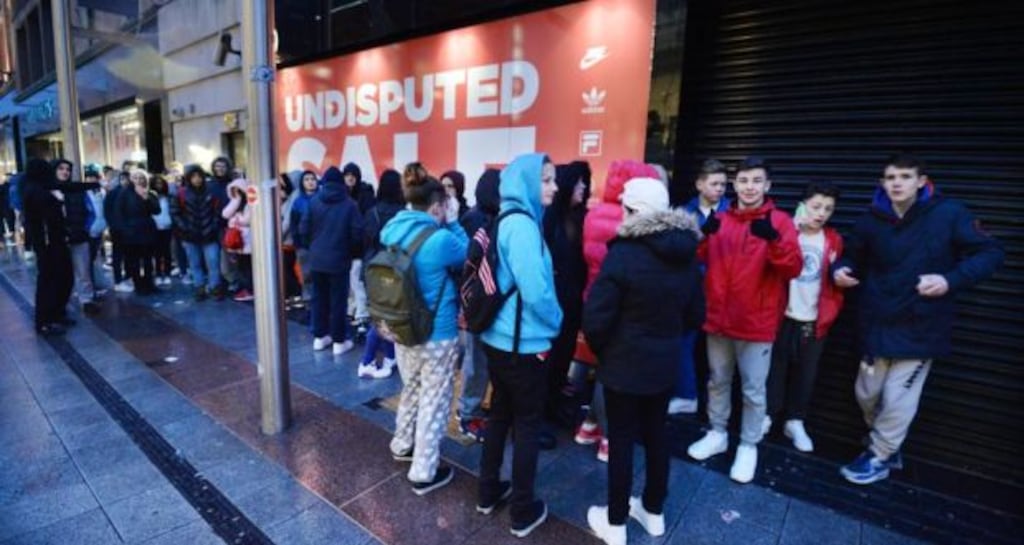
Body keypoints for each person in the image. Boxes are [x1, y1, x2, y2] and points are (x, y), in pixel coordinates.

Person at [834, 154, 1003, 485]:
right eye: (890, 177)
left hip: (921, 325)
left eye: (905, 176)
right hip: (877, 322)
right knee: (866, 394)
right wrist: (838, 269)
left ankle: (880, 455)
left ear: (921, 181)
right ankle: (888, 443)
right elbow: (851, 256)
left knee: (899, 398)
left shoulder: (949, 213)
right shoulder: (871, 219)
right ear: (882, 182)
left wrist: (949, 280)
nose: (897, 183)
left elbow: (991, 252)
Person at [583, 178, 704, 545]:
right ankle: (653, 513)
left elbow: (595, 319)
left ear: (633, 211)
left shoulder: (623, 253)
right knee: (656, 436)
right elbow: (695, 315)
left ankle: (616, 524)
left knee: (620, 442)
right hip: (664, 364)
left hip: (624, 366)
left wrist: (608, 352)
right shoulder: (686, 253)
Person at [686, 156, 802, 484]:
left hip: (756, 323)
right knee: (717, 381)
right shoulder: (721, 218)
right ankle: (718, 433)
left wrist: (775, 241)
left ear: (767, 185)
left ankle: (749, 445)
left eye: (756, 181)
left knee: (753, 390)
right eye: (743, 181)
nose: (749, 187)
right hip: (718, 320)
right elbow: (695, 257)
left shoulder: (779, 222)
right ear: (735, 185)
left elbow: (793, 268)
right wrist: (702, 236)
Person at [477, 153, 562, 539]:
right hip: (523, 346)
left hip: (497, 339)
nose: (553, 187)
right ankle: (522, 511)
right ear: (527, 182)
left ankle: (487, 491)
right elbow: (536, 291)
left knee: (499, 416)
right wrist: (558, 321)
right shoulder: (524, 227)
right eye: (546, 180)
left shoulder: (503, 219)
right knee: (526, 425)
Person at [381, 175, 468, 495]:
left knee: (412, 387)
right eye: (444, 205)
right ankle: (424, 470)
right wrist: (455, 222)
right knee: (436, 398)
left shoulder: (392, 230)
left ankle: (402, 443)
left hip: (402, 328)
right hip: (437, 333)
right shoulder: (440, 240)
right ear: (436, 207)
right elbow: (468, 253)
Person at [572, 160, 662, 462]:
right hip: (623, 307)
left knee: (591, 364)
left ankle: (588, 425)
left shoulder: (593, 215)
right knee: (608, 373)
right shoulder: (634, 222)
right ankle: (608, 438)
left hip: (592, 297)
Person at [762, 182, 845, 453]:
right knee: (774, 370)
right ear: (803, 205)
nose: (821, 213)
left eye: (828, 209)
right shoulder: (788, 233)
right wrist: (791, 232)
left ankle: (795, 421)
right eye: (816, 206)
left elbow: (839, 274)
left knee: (806, 375)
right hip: (781, 315)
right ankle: (768, 416)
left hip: (814, 318)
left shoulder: (833, 240)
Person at [673, 159, 731, 415]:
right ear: (699, 184)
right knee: (684, 344)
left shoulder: (733, 212)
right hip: (692, 290)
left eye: (723, 184)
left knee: (719, 354)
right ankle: (687, 395)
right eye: (714, 183)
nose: (719, 188)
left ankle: (715, 407)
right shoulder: (684, 213)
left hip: (724, 292)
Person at [542, 161, 591, 427]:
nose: (583, 187)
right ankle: (541, 415)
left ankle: (555, 406)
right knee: (548, 362)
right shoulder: (549, 219)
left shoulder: (583, 218)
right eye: (578, 182)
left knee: (563, 358)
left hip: (573, 304)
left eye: (585, 182)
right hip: (553, 305)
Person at [455, 168, 501, 441]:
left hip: (480, 303)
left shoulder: (488, 219)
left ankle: (473, 408)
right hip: (477, 304)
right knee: (475, 361)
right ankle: (467, 414)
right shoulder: (476, 221)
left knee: (479, 360)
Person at [301, 166, 363, 355]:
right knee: (338, 301)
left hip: (317, 259)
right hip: (339, 260)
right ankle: (338, 341)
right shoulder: (350, 204)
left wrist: (313, 248)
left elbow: (303, 230)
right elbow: (357, 234)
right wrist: (352, 254)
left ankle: (320, 337)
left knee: (318, 299)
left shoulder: (313, 202)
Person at [357, 169, 404, 379]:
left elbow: (364, 242)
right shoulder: (403, 215)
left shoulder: (371, 212)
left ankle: (390, 356)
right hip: (393, 272)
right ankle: (366, 361)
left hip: (372, 270)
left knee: (381, 317)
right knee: (384, 320)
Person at [22, 159, 74, 334]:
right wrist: (57, 201)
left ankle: (56, 314)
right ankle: (46, 321)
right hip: (48, 244)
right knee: (50, 281)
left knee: (62, 279)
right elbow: (46, 217)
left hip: (53, 242)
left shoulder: (37, 188)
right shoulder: (36, 191)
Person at [170, 165, 224, 301]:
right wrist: (185, 227)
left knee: (213, 263)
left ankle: (214, 287)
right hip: (190, 236)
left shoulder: (211, 192)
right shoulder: (181, 193)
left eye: (199, 176)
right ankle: (199, 287)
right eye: (193, 176)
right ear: (188, 178)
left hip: (209, 235)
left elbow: (217, 212)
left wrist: (213, 226)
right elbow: (175, 213)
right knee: (195, 264)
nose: (197, 179)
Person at [57, 159, 99, 314]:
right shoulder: (48, 190)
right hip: (58, 239)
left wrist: (85, 229)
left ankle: (86, 300)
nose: (65, 172)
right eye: (61, 168)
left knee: (83, 271)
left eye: (67, 169)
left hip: (79, 236)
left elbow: (91, 212)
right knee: (60, 273)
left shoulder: (77, 190)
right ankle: (60, 305)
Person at [341, 162, 375, 338]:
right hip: (347, 247)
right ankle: (354, 309)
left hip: (360, 248)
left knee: (357, 281)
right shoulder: (343, 195)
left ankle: (362, 314)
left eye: (353, 175)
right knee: (351, 282)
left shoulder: (365, 194)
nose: (350, 178)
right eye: (347, 175)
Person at [118, 169, 161, 295]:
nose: (138, 180)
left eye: (141, 177)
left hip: (148, 230)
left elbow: (157, 211)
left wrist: (146, 198)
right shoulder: (124, 193)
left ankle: (150, 284)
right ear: (131, 179)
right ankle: (139, 286)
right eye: (135, 177)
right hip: (131, 232)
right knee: (134, 261)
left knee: (148, 260)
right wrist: (124, 230)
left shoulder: (150, 192)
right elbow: (119, 213)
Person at [288, 170, 319, 304]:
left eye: (313, 179)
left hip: (319, 243)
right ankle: (308, 299)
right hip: (303, 245)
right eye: (307, 179)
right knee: (306, 274)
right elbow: (293, 224)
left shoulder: (322, 199)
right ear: (302, 183)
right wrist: (298, 244)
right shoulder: (298, 202)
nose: (310, 182)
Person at [222, 177, 254, 302]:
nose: (236, 192)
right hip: (237, 240)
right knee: (240, 266)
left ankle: (250, 290)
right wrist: (236, 200)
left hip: (247, 240)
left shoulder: (250, 203)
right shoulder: (235, 201)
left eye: (239, 190)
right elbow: (225, 214)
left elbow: (247, 220)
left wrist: (235, 219)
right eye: (234, 190)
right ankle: (246, 289)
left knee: (247, 266)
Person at [150, 175, 174, 286]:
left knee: (166, 252)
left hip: (167, 227)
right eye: (156, 183)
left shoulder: (168, 197)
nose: (159, 185)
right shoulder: (150, 197)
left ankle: (167, 273)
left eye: (160, 183)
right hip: (154, 228)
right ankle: (158, 274)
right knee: (157, 253)